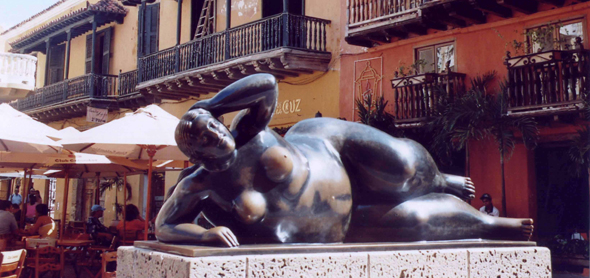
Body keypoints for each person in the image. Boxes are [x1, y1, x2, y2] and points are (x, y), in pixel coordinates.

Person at [156, 74, 534, 247]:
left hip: (331, 149)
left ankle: (438, 180)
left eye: (211, 125)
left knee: (402, 167)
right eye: (206, 137)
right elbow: (165, 226)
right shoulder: (199, 184)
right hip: (343, 226)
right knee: (418, 222)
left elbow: (267, 83)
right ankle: (490, 223)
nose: (215, 132)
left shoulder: (247, 128)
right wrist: (205, 234)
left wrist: (211, 105)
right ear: (198, 155)